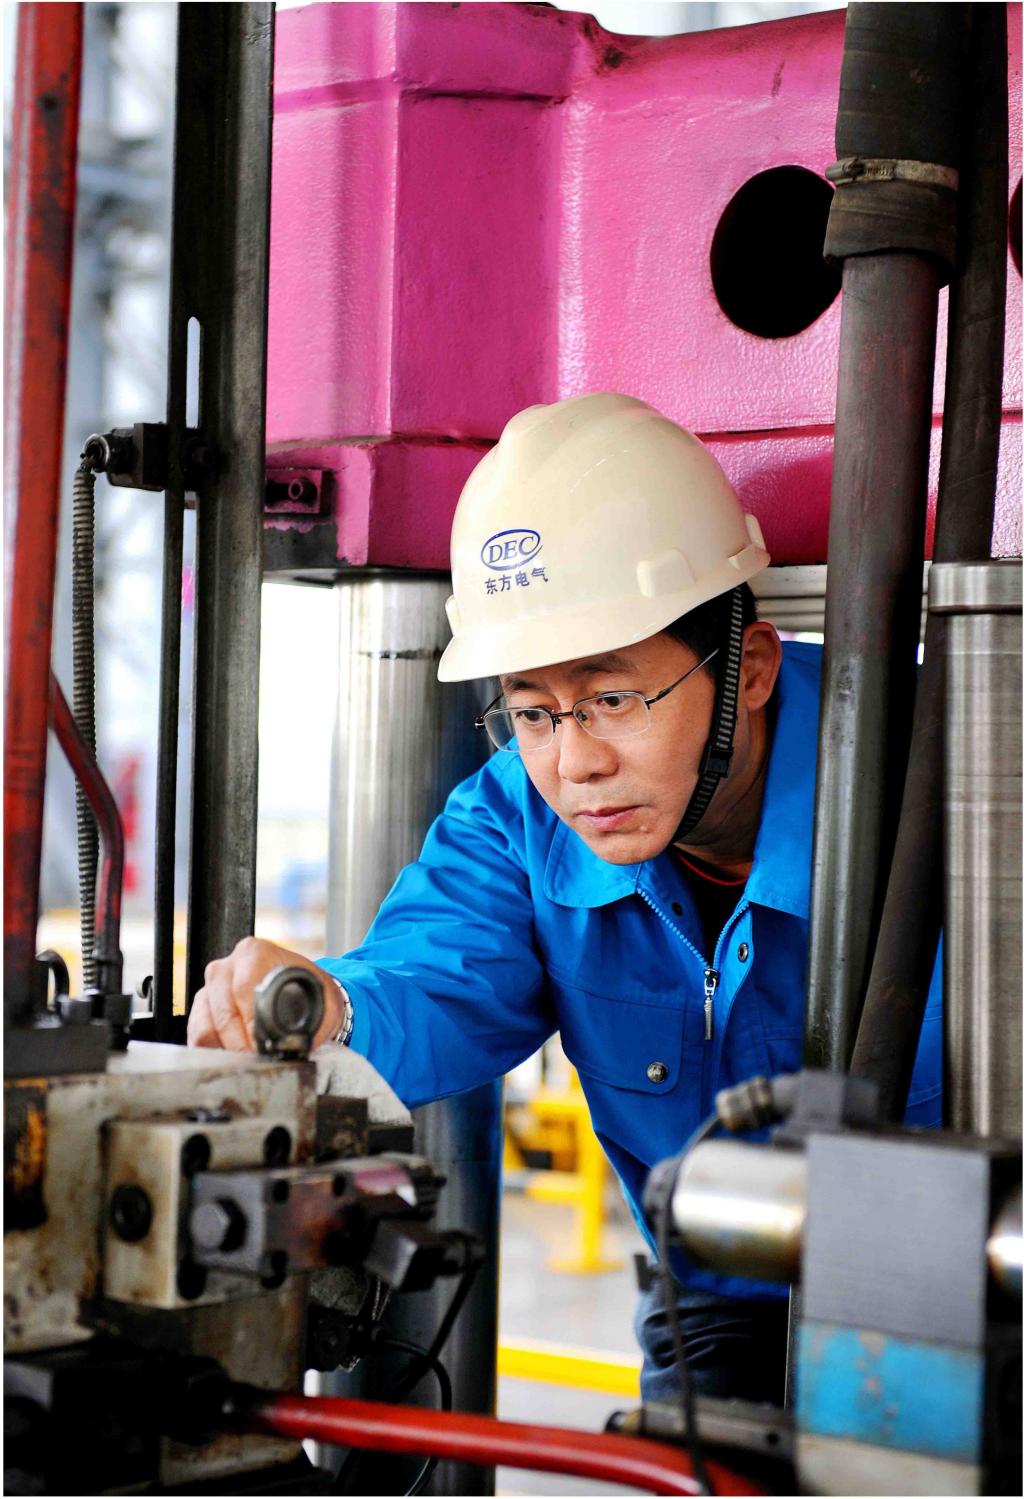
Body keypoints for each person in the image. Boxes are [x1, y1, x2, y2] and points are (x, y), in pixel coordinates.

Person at [190, 392, 942, 1402]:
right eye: (533, 712)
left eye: (612, 698)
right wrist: (325, 1005)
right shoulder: (515, 815)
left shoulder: (947, 784)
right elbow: (431, 976)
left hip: (967, 1284)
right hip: (717, 1287)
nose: (574, 763)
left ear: (750, 671)